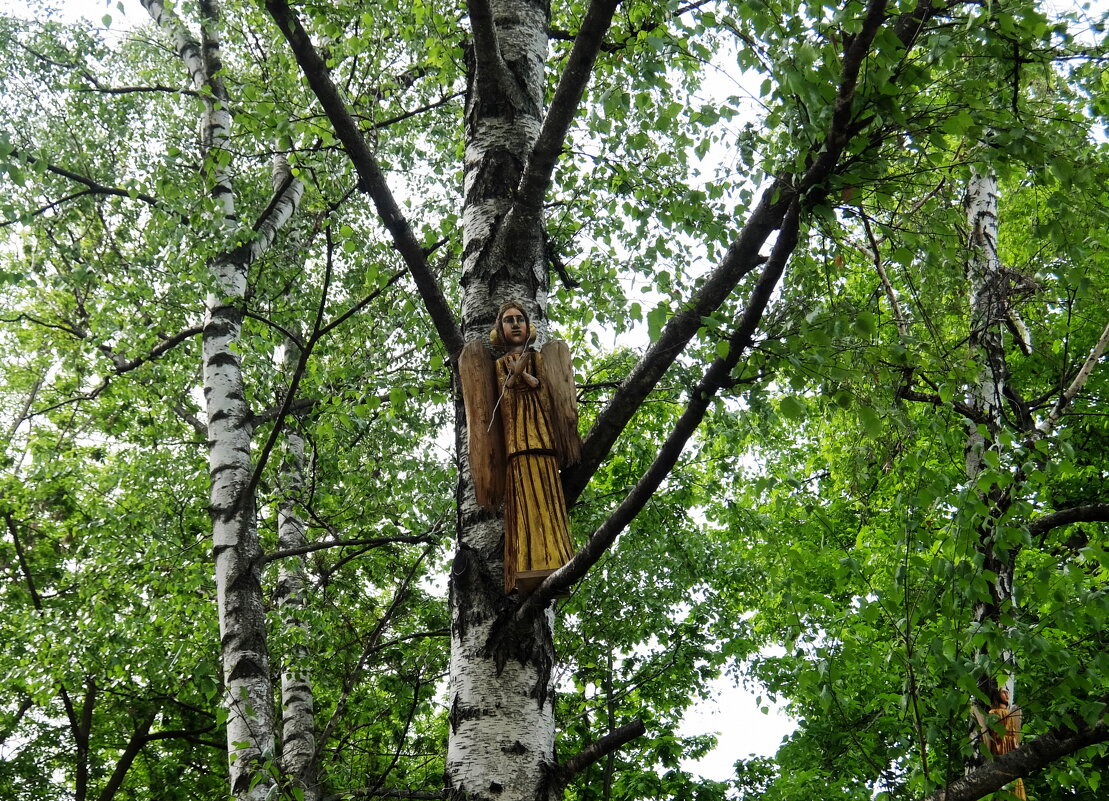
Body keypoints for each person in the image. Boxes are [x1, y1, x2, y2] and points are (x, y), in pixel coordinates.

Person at [460, 301, 580, 594]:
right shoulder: (501, 364)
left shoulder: (537, 359)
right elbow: (506, 401)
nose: (515, 324)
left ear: (528, 327)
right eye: (508, 321)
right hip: (518, 442)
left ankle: (557, 557)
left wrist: (523, 373)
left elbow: (543, 393)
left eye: (520, 319)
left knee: (549, 502)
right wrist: (513, 376)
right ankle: (526, 562)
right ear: (500, 331)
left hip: (543, 441)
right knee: (524, 504)